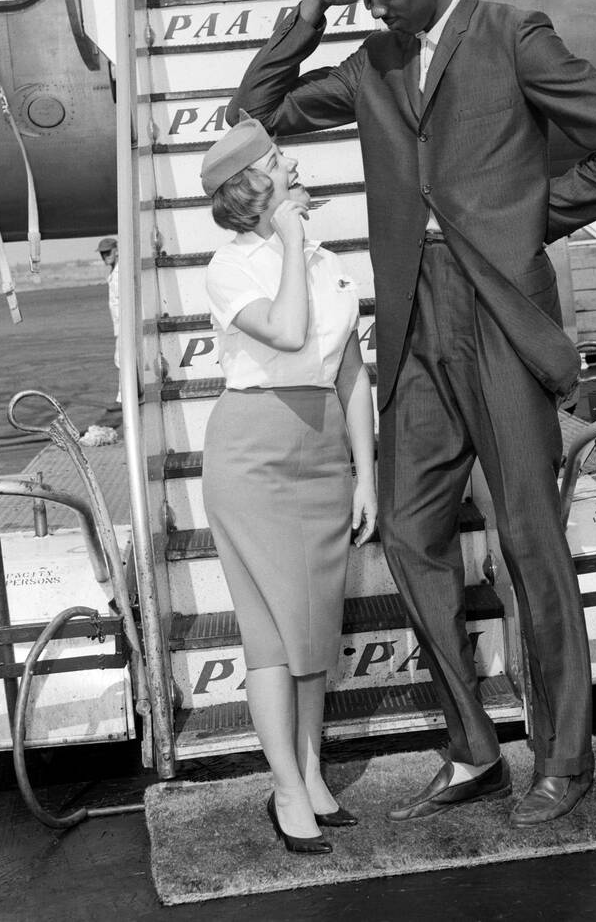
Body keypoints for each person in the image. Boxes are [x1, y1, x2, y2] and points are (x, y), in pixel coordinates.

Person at [228, 0, 596, 827]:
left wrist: (527, 221)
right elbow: (260, 110)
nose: (372, 3)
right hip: (416, 320)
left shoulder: (514, 38)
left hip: (500, 316)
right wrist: (309, 17)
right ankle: (473, 747)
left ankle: (565, 759)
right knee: (406, 529)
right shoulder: (371, 65)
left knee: (528, 538)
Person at [198, 117, 378, 854]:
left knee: (311, 630)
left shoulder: (331, 262)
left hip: (321, 450)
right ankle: (285, 787)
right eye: (278, 159)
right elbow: (290, 335)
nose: (293, 163)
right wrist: (293, 240)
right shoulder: (230, 265)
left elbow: (350, 372)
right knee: (271, 638)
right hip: (252, 454)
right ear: (251, 188)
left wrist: (367, 474)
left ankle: (310, 767)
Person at [97, 236, 121, 408]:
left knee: (122, 360)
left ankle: (123, 398)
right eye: (103, 254)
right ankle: (123, 397)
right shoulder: (114, 273)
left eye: (108, 252)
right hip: (120, 326)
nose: (105, 256)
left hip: (125, 327)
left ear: (117, 250)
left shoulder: (120, 274)